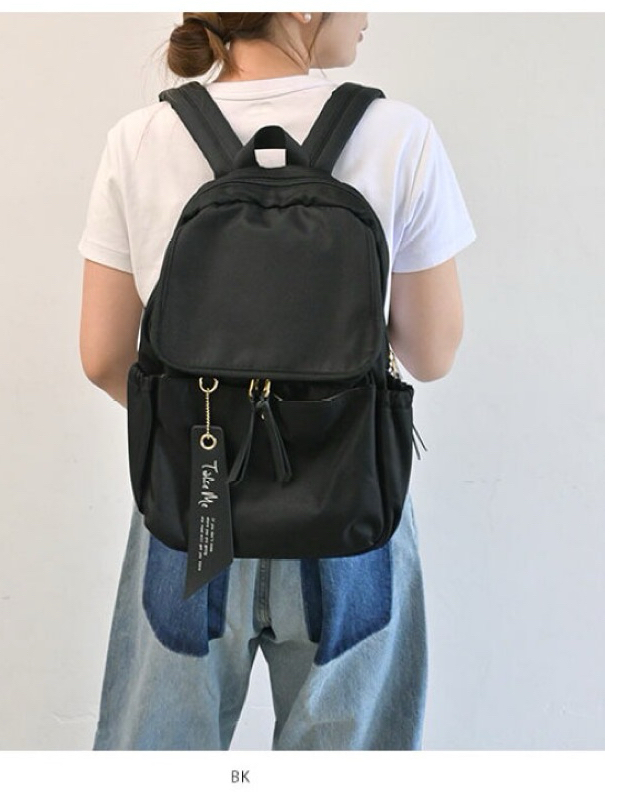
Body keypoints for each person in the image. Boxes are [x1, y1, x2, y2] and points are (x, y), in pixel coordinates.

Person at [78, 12, 475, 750]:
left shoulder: (140, 139)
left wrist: (201, 427)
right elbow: (431, 354)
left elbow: (103, 357)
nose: (367, 15)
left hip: (190, 504)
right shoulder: (400, 136)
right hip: (350, 502)